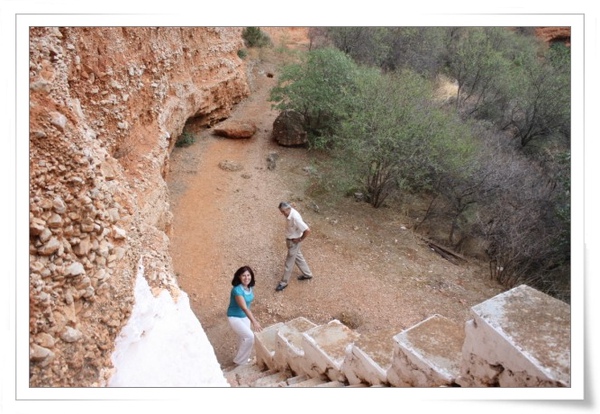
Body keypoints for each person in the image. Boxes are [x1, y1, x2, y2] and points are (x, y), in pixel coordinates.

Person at [227, 265, 262, 366]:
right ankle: (240, 362)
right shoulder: (237, 290)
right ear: (239, 277)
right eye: (243, 275)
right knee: (250, 337)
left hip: (244, 317)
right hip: (235, 317)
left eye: (248, 275)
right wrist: (254, 321)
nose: (246, 278)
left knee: (242, 338)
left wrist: (249, 318)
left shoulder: (249, 287)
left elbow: (248, 304)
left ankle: (242, 358)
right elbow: (244, 307)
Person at [275, 201, 314, 292]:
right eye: (281, 211)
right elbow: (291, 204)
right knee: (298, 257)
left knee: (289, 262)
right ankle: (308, 274)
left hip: (294, 242)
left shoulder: (295, 217)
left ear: (289, 209)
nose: (283, 213)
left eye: (284, 211)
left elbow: (307, 230)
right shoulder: (290, 211)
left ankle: (284, 282)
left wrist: (300, 239)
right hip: (291, 240)